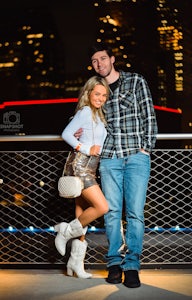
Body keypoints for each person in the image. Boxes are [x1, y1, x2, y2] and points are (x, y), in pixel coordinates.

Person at [76, 42, 158, 287]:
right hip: (109, 158)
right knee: (111, 213)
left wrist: (146, 149)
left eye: (102, 58)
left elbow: (149, 116)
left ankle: (132, 266)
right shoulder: (96, 89)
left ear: (112, 59)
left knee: (135, 214)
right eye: (94, 61)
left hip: (136, 156)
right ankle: (113, 263)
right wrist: (77, 128)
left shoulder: (136, 81)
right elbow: (84, 115)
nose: (98, 64)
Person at [54, 75, 109, 279]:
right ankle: (65, 232)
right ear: (88, 93)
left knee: (82, 213)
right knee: (102, 207)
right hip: (81, 168)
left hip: (90, 168)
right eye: (97, 94)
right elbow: (66, 134)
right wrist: (86, 147)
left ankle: (75, 264)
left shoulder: (97, 114)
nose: (101, 98)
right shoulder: (86, 111)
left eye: (104, 95)